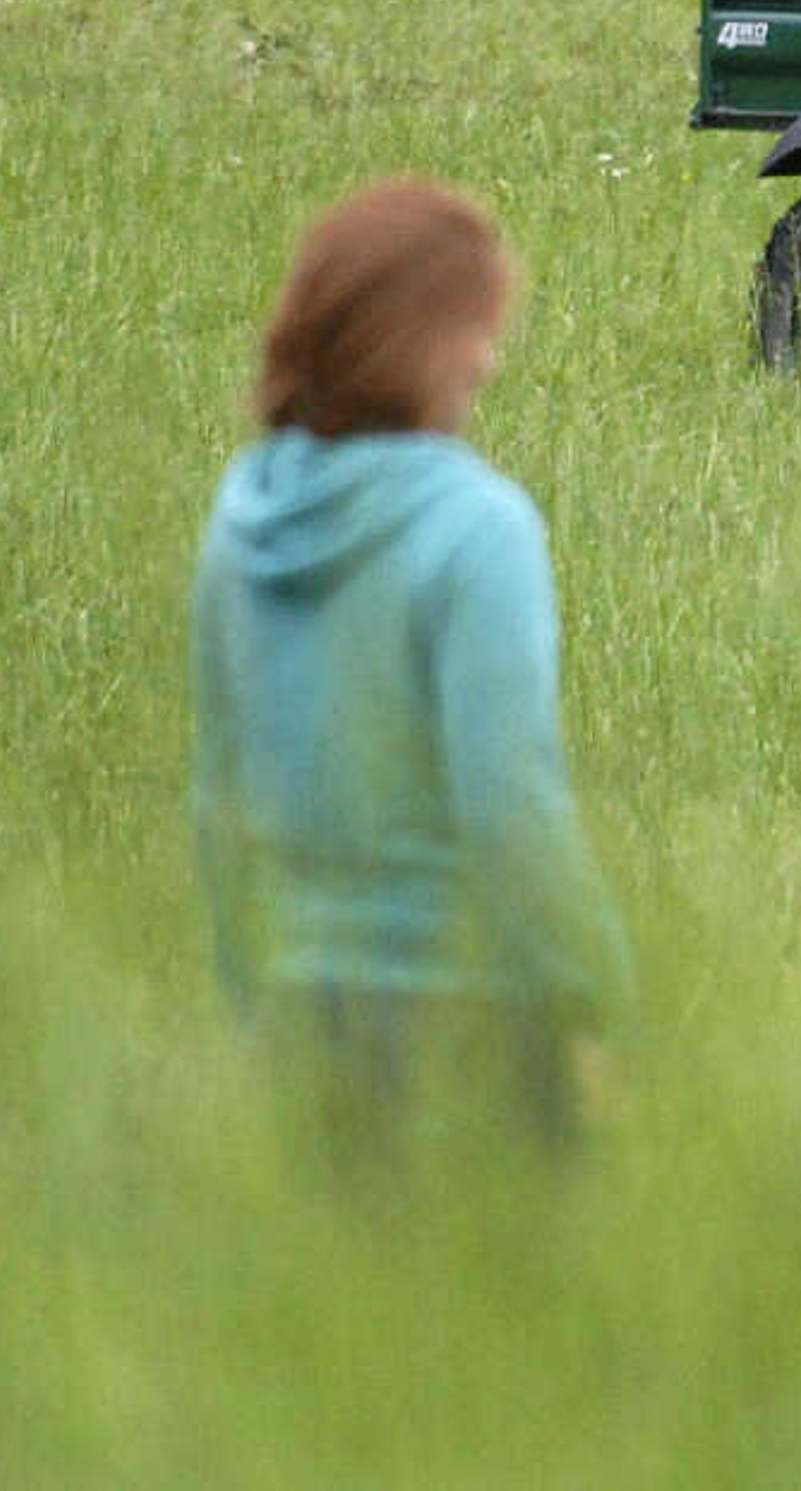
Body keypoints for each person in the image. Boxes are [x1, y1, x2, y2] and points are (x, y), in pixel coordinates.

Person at [193, 178, 639, 1172]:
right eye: (480, 327)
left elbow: (217, 801)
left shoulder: (239, 512)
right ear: (430, 344)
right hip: (473, 1027)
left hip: (301, 1022)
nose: (490, 356)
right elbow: (511, 808)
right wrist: (607, 1001)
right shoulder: (479, 528)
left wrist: (251, 1000)